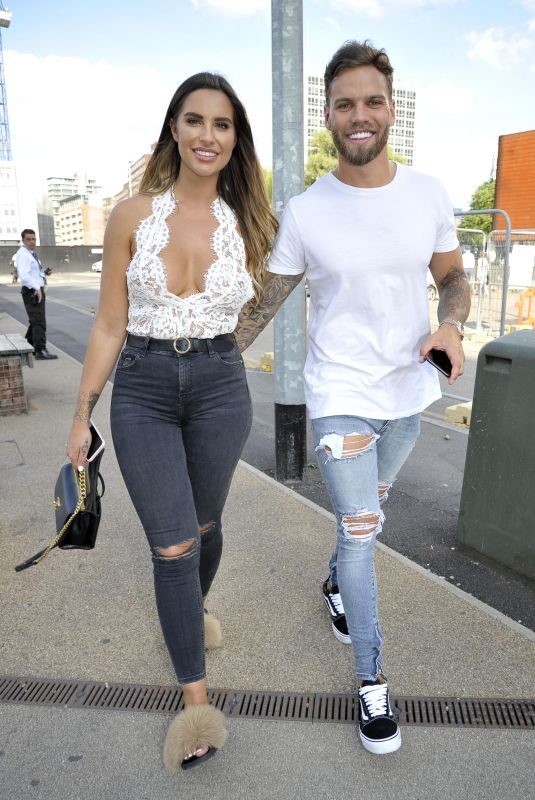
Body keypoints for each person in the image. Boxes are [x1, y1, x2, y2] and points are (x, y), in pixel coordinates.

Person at [234, 40, 470, 756]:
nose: (358, 115)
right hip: (337, 393)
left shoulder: (426, 193)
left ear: (389, 109)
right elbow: (263, 303)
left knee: (369, 515)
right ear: (328, 116)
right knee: (364, 534)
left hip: (408, 390)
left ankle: (334, 587)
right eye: (344, 104)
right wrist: (200, 364)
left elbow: (452, 275)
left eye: (371, 101)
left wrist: (452, 325)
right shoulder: (306, 212)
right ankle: (371, 681)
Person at [66, 72, 277, 770]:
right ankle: (195, 706)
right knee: (172, 546)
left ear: (234, 138)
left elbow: (267, 302)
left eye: (221, 124)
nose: (207, 135)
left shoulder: (252, 221)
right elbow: (106, 324)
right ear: (174, 130)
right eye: (194, 120)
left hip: (220, 384)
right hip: (144, 388)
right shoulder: (132, 215)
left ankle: (192, 612)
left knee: (205, 528)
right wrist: (81, 416)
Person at [15, 229, 57, 360]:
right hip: (32, 291)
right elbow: (24, 276)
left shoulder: (31, 254)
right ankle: (40, 350)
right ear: (23, 240)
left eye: (33, 239)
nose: (32, 242)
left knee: (35, 320)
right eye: (28, 239)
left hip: (36, 289)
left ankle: (28, 344)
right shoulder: (23, 254)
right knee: (39, 322)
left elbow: (33, 273)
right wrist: (37, 288)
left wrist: (44, 272)